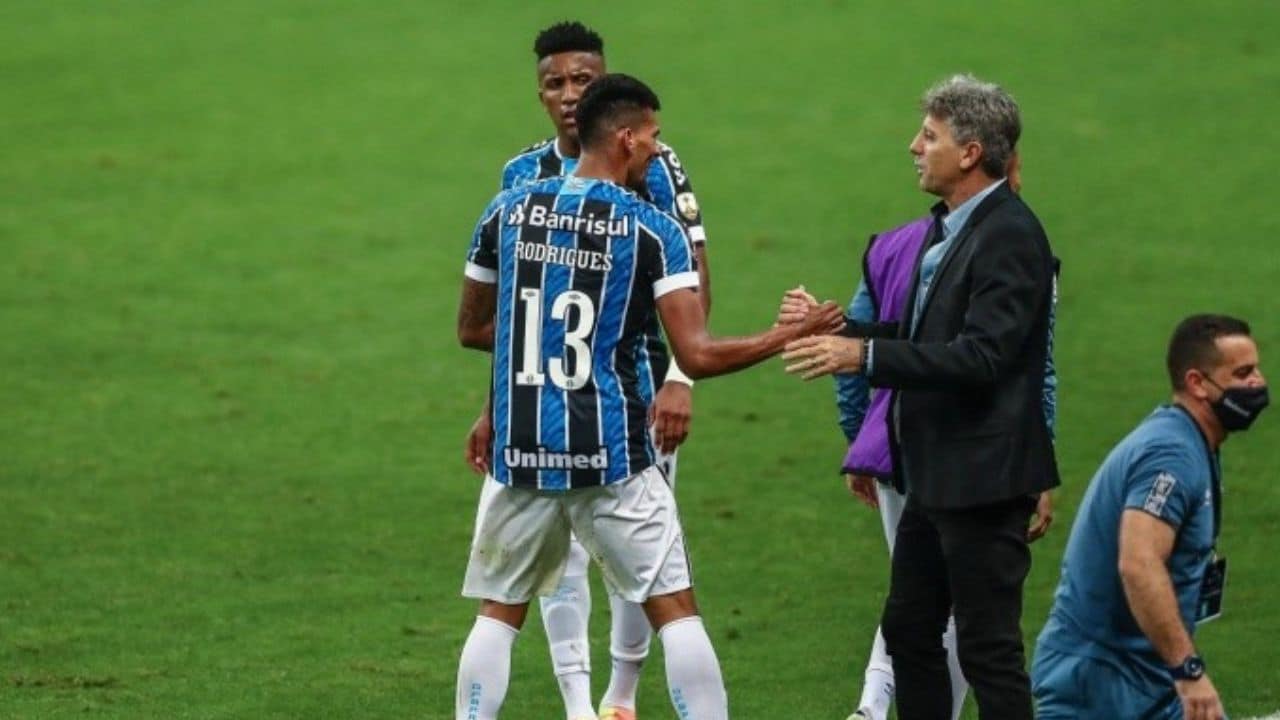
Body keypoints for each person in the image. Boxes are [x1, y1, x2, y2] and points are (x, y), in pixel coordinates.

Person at [453, 73, 844, 720]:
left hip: (520, 451)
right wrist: (788, 334)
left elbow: (472, 330)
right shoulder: (650, 229)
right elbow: (696, 355)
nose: (660, 152)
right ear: (627, 138)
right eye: (655, 138)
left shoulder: (508, 210)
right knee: (674, 609)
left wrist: (539, 338)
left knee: (499, 611)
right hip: (611, 456)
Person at [780, 74, 1059, 719]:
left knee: (988, 650)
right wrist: (840, 329)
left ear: (969, 152)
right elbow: (923, 336)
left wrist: (864, 355)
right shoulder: (953, 228)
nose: (913, 146)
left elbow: (983, 357)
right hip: (937, 477)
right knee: (910, 631)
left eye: (929, 136)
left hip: (985, 482)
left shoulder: (1010, 235)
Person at [464, 23, 712, 720]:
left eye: (583, 81)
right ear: (539, 92)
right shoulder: (519, 174)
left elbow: (694, 279)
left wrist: (679, 381)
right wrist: (493, 406)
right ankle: (581, 703)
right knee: (570, 566)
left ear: (604, 85)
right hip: (542, 402)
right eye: (555, 83)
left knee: (634, 568)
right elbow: (513, 312)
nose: (570, 95)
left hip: (639, 394)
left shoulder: (657, 166)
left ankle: (621, 695)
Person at [1032, 315, 1267, 720]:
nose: (1258, 383)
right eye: (1242, 373)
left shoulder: (1192, 441)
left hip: (1148, 683)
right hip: (1100, 687)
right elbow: (1138, 563)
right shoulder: (1171, 454)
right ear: (1197, 383)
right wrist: (1189, 671)